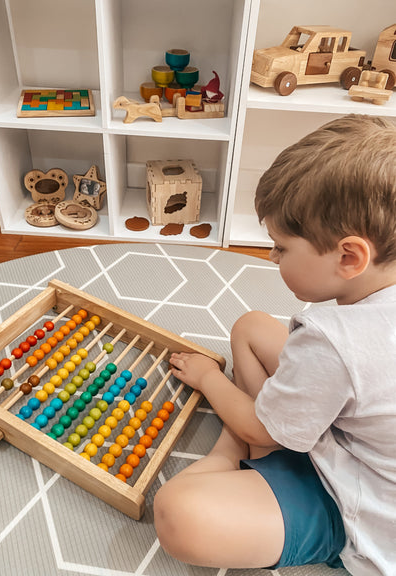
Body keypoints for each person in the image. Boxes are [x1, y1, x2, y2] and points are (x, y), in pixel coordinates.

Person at [153, 114, 396, 575]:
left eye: (281, 248)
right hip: (357, 436)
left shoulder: (332, 341)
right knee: (252, 327)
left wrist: (209, 379)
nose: (271, 256)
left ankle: (230, 451)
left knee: (179, 513)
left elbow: (263, 430)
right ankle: (264, 433)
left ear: (349, 256)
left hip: (363, 505)